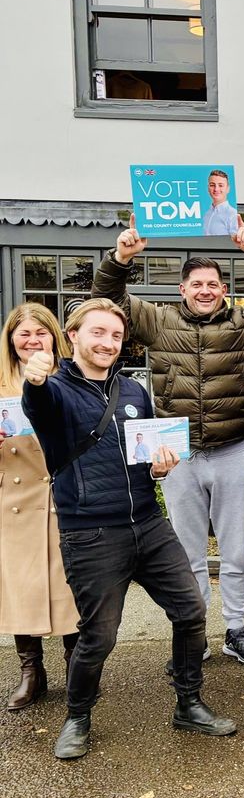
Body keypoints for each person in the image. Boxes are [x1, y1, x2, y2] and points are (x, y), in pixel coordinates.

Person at [21, 299, 236, 759]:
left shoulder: (134, 391)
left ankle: (189, 704)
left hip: (148, 523)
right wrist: (34, 377)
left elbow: (145, 458)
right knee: (99, 635)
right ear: (73, 336)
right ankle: (77, 717)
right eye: (97, 333)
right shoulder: (55, 389)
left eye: (116, 336)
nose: (107, 343)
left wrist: (161, 469)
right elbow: (37, 401)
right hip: (91, 534)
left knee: (190, 609)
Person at [91, 214, 244, 669]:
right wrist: (120, 258)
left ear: (223, 289)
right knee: (188, 552)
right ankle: (194, 634)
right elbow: (106, 302)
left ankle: (236, 631)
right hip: (177, 455)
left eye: (212, 284)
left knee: (237, 553)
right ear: (182, 289)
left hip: (233, 450)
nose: (205, 290)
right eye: (196, 283)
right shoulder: (157, 323)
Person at [0, 304, 79, 712]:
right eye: (23, 333)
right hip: (15, 498)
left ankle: (75, 668)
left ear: (54, 336)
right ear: (10, 339)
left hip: (62, 495)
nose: (32, 340)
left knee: (70, 585)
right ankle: (31, 671)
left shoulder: (69, 377)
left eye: (40, 332)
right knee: (22, 587)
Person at [202, 169, 239, 236]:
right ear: (208, 188)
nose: (216, 189)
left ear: (228, 189)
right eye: (212, 185)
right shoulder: (206, 214)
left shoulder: (233, 215)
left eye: (221, 185)